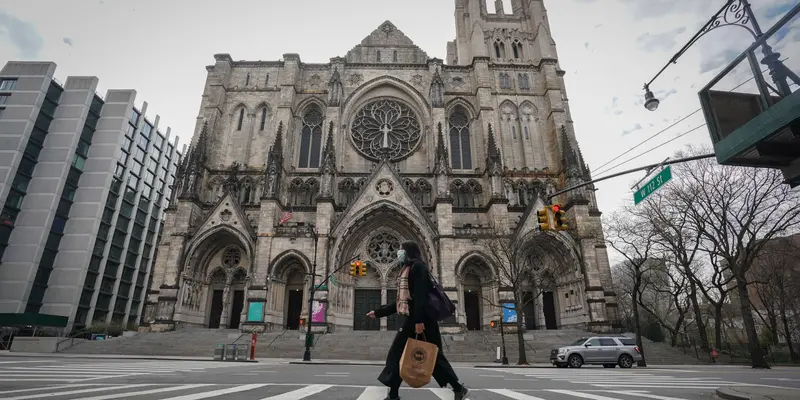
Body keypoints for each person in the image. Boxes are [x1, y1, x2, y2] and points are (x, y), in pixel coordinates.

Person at [367, 241, 469, 400]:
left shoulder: (418, 268)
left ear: (408, 251)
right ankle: (457, 388)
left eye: (400, 249)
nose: (398, 252)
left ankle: (394, 395)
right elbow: (404, 301)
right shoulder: (408, 269)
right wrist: (378, 312)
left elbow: (420, 297)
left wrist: (419, 322)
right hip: (415, 318)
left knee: (407, 354)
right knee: (430, 357)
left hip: (421, 320)